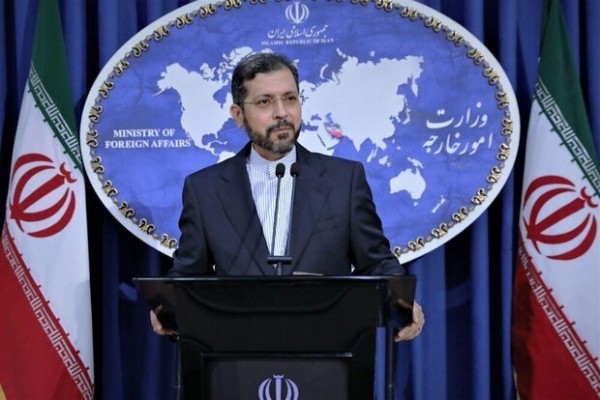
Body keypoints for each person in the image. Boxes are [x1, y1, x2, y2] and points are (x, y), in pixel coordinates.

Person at [151, 51, 424, 341]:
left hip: (327, 349)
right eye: (265, 102)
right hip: (237, 352)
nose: (281, 112)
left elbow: (376, 263)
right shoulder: (205, 189)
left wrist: (402, 302)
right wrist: (167, 306)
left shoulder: (343, 181)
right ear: (238, 115)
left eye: (290, 98)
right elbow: (188, 276)